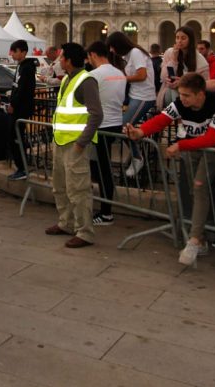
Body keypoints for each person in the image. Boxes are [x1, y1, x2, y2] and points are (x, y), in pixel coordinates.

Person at [125, 71, 215, 266]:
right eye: (180, 95)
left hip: (212, 151)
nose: (181, 99)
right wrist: (140, 131)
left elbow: (211, 139)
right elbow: (161, 120)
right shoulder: (180, 104)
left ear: (200, 94)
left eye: (186, 95)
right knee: (194, 190)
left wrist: (180, 146)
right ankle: (200, 237)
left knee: (200, 188)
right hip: (192, 150)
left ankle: (194, 240)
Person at [44, 43, 103, 248]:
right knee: (60, 187)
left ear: (68, 60)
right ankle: (66, 223)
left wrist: (81, 142)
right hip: (61, 140)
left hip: (75, 144)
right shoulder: (68, 79)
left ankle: (85, 231)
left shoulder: (86, 81)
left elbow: (97, 115)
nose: (59, 61)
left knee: (78, 189)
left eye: (61, 58)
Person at [86, 41, 128, 226]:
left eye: (89, 57)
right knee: (101, 167)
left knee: (102, 170)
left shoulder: (94, 75)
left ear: (94, 55)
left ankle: (106, 213)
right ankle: (104, 208)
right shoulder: (120, 74)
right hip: (116, 123)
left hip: (100, 126)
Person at [107, 31, 156, 177]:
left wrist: (120, 78)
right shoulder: (127, 55)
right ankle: (136, 152)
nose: (111, 50)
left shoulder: (135, 52)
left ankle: (137, 157)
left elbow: (142, 75)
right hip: (135, 95)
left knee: (124, 126)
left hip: (144, 97)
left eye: (112, 47)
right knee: (124, 127)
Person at [7, 40, 37, 181]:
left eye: (15, 51)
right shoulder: (20, 67)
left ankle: (22, 167)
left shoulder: (27, 68)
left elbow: (23, 89)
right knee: (14, 136)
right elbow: (16, 87)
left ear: (23, 52)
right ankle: (21, 166)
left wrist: (13, 103)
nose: (12, 54)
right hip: (18, 106)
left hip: (21, 108)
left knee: (16, 136)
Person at [157, 26, 206, 108]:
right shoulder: (169, 52)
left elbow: (203, 82)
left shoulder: (199, 58)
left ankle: (178, 116)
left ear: (190, 40)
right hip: (169, 90)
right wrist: (174, 59)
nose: (179, 41)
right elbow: (163, 77)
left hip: (190, 93)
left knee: (179, 91)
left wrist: (182, 82)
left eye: (183, 38)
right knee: (173, 89)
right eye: (177, 38)